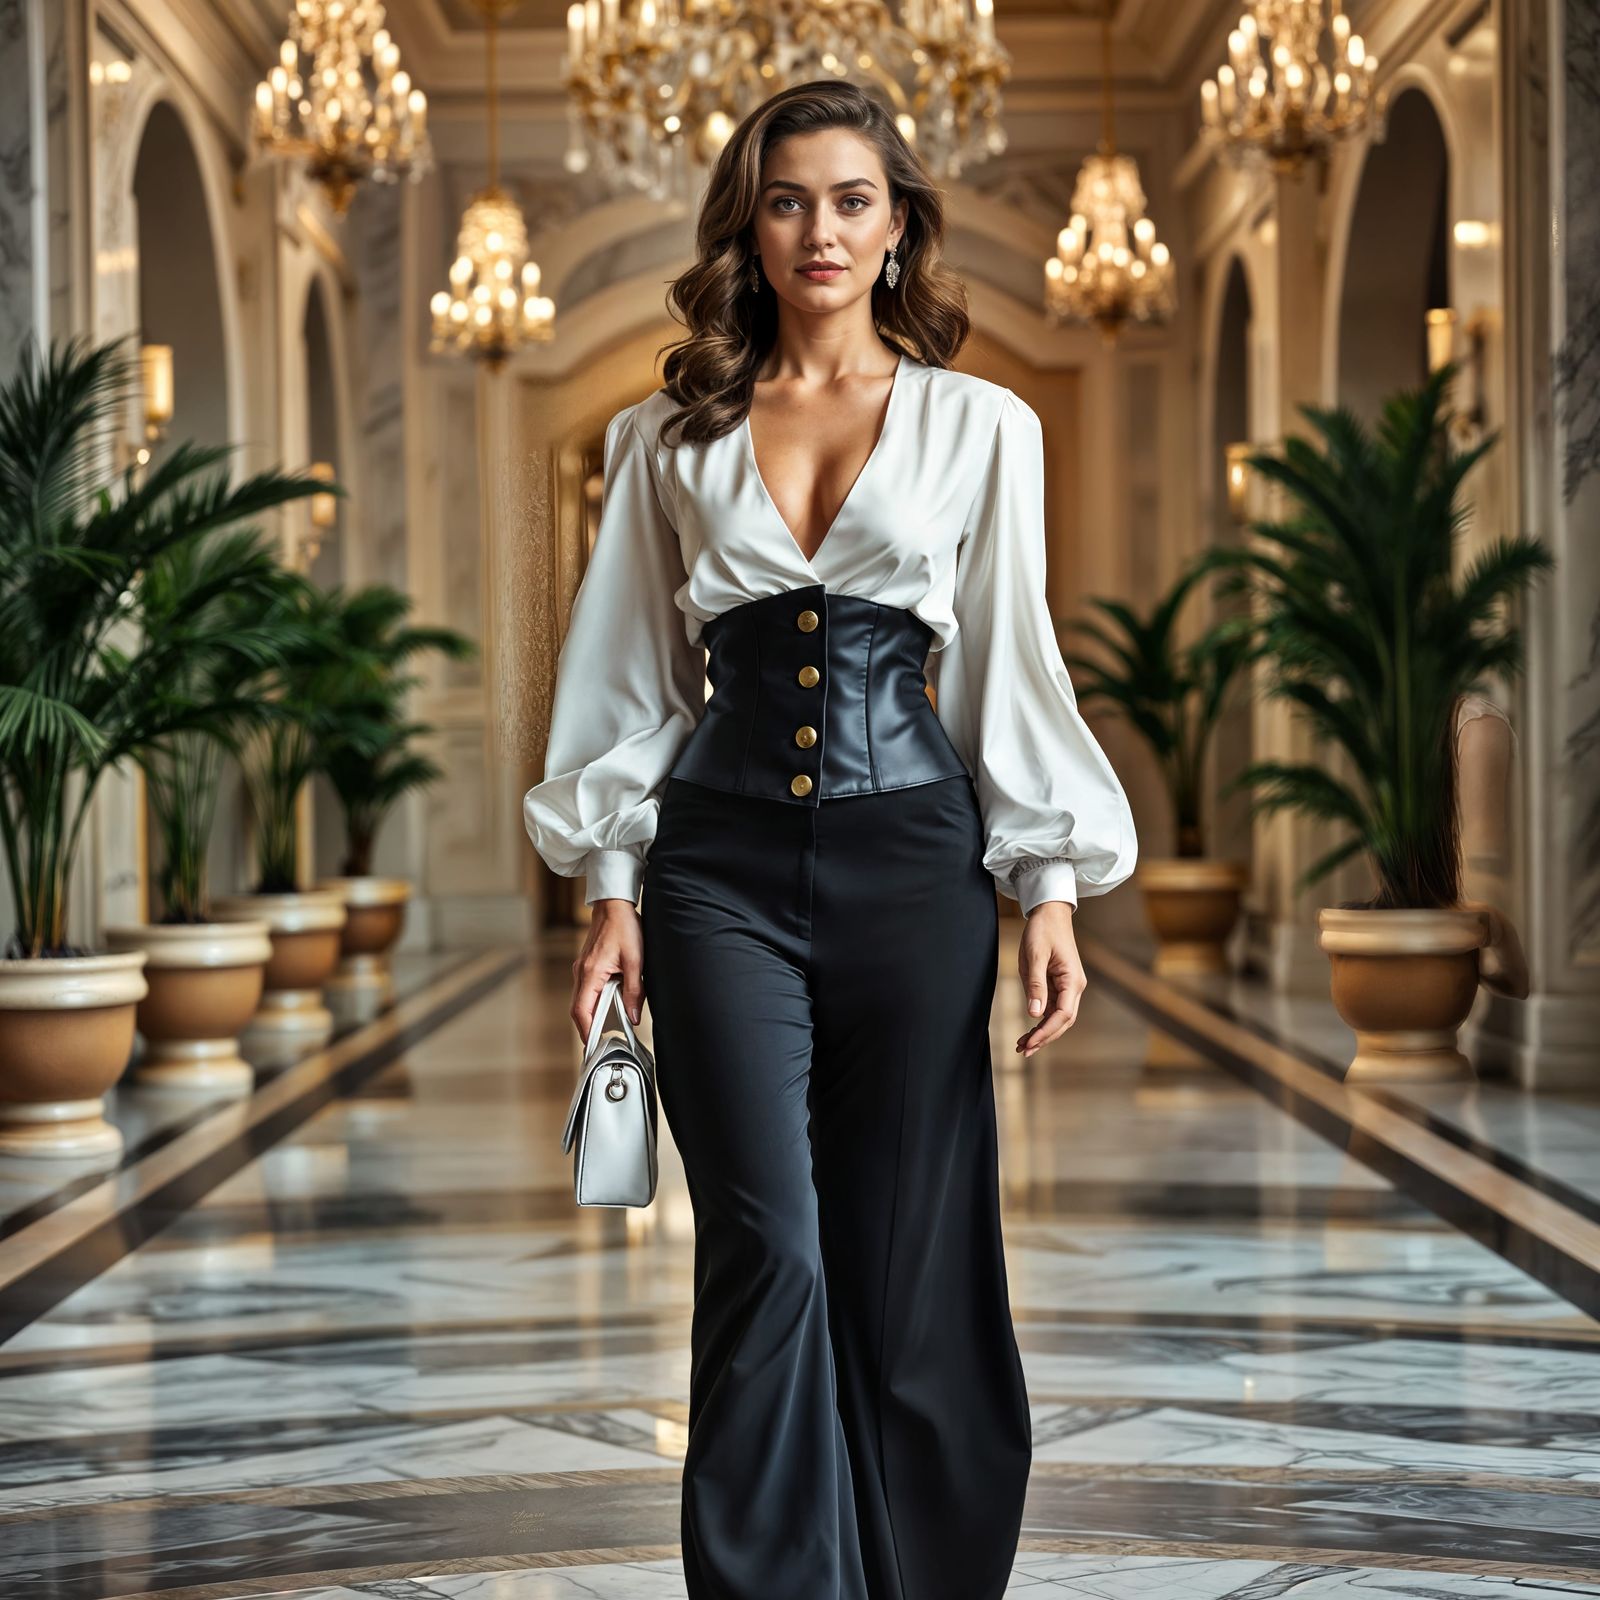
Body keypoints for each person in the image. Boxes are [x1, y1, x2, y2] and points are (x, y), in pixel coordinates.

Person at [523, 79, 1138, 1600]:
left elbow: (1006, 664)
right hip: (717, 875)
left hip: (913, 873)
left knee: (904, 1259)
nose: (820, 229)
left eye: (852, 199)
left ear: (898, 225)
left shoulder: (982, 425)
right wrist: (612, 885)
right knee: (769, 1246)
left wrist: (1044, 886)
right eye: (789, 198)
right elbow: (629, 680)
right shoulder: (664, 437)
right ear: (750, 221)